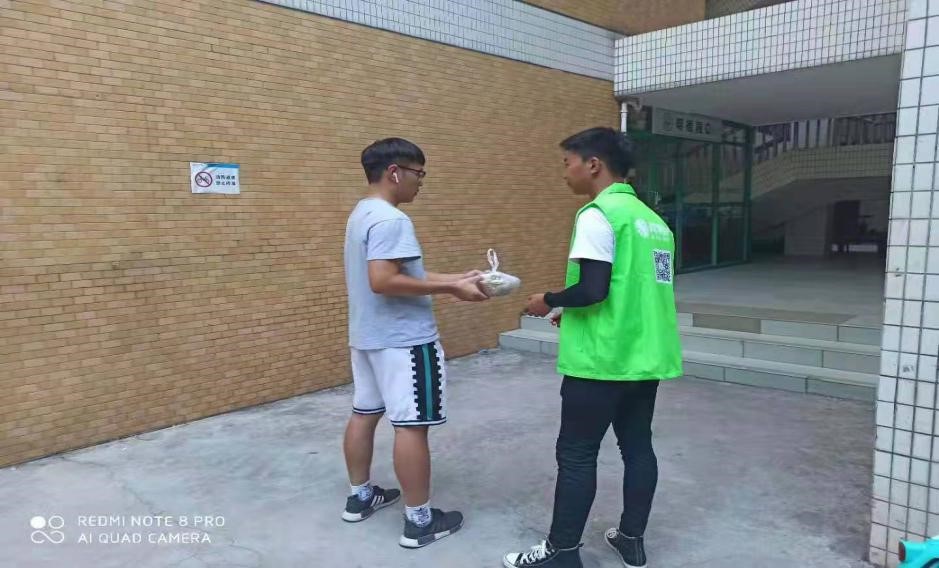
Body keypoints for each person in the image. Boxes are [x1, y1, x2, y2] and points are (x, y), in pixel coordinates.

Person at [503, 127, 683, 568]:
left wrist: (548, 300)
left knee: (577, 455)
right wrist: (572, 309)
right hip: (644, 359)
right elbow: (632, 291)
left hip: (601, 362)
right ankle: (631, 540)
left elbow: (594, 289)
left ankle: (562, 552)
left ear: (594, 165)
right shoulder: (653, 223)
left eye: (568, 163)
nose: (565, 172)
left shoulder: (597, 214)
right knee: (637, 448)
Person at [341, 137, 489, 549]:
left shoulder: (362, 213)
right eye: (418, 173)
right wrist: (452, 290)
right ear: (394, 172)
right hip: (404, 341)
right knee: (411, 426)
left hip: (368, 337)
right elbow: (383, 280)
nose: (421, 182)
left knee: (364, 413)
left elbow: (399, 273)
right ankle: (419, 521)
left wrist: (456, 278)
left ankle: (360, 497)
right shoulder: (393, 220)